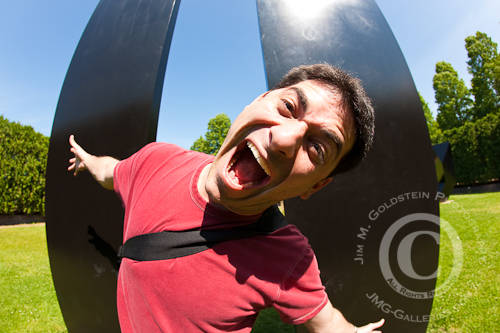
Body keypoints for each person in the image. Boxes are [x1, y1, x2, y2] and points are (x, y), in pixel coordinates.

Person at [68, 64, 385, 333]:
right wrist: (89, 160)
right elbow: (112, 172)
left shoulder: (287, 255)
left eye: (316, 149)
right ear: (256, 101)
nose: (284, 138)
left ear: (314, 186)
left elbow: (325, 320)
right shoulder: (155, 161)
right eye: (288, 107)